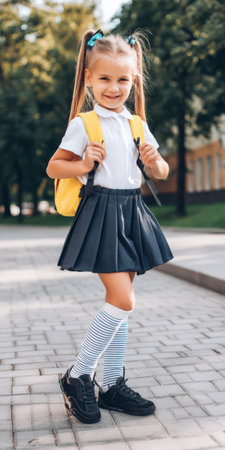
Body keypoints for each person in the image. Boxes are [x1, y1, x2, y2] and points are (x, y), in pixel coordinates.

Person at [46, 29, 174, 424]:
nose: (113, 87)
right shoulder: (84, 124)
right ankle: (79, 374)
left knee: (119, 304)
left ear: (134, 79)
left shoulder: (136, 123)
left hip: (132, 213)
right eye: (104, 79)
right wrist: (84, 164)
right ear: (88, 80)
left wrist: (153, 160)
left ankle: (113, 383)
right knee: (123, 300)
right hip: (102, 214)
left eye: (122, 79)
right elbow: (54, 166)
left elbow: (162, 171)